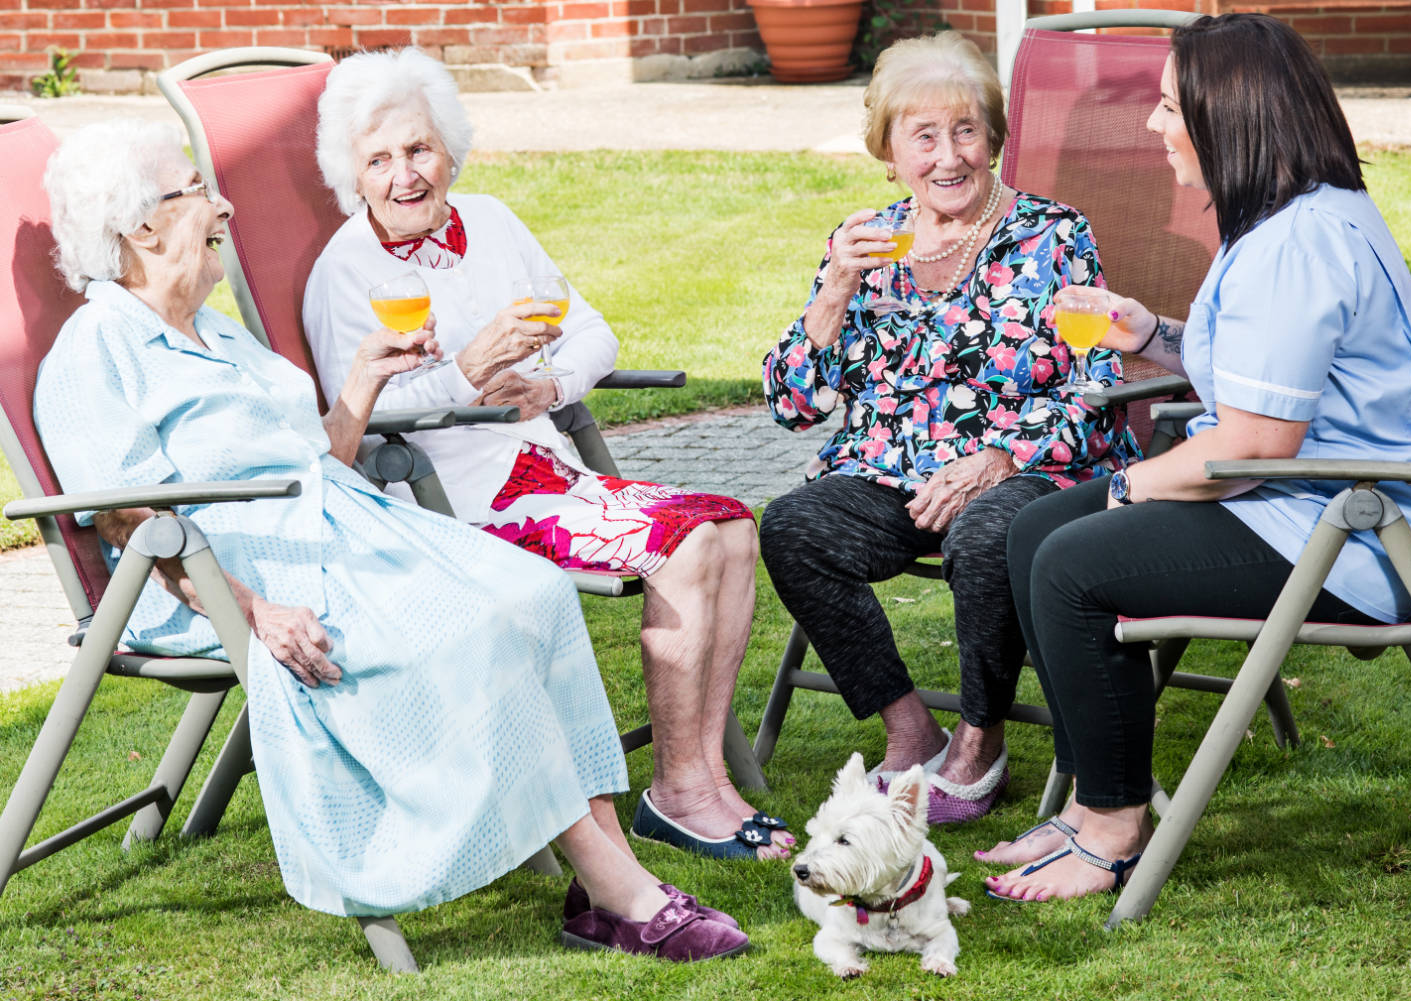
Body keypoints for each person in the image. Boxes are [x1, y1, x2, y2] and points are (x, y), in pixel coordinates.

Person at [33, 119, 749, 962]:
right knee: (465, 626)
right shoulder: (96, 347)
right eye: (199, 189)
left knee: (535, 593)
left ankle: (601, 877)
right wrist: (255, 611)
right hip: (231, 584)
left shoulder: (218, 333)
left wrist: (366, 379)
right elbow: (131, 520)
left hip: (341, 533)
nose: (224, 204)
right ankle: (620, 891)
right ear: (143, 225)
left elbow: (316, 463)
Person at [981, 13, 1411, 901]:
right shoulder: (1290, 214)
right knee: (1032, 530)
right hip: (1304, 500)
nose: (1155, 127)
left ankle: (1114, 823)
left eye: (1168, 108)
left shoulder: (1294, 244)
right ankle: (1087, 805)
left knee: (1070, 563)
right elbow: (1265, 375)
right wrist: (1152, 333)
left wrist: (1128, 484)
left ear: (1226, 115)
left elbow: (1251, 446)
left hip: (1351, 533)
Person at [301, 49, 788, 863]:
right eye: (377, 160)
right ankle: (679, 791)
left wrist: (552, 382)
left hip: (547, 475)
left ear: (451, 148)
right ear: (352, 175)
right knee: (692, 540)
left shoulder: (492, 221)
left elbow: (593, 329)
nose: (403, 176)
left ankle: (697, 777)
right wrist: (469, 371)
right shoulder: (343, 272)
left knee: (734, 527)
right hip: (456, 507)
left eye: (419, 150)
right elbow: (359, 412)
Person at [758, 32, 1137, 825]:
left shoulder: (1054, 235)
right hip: (894, 471)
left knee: (986, 534)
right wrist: (833, 291)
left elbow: (1098, 386)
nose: (947, 155)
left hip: (1026, 465)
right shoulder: (864, 247)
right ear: (888, 152)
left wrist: (998, 456)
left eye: (965, 130)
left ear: (994, 138)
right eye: (922, 136)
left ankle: (979, 737)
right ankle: (908, 727)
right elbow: (791, 406)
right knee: (794, 526)